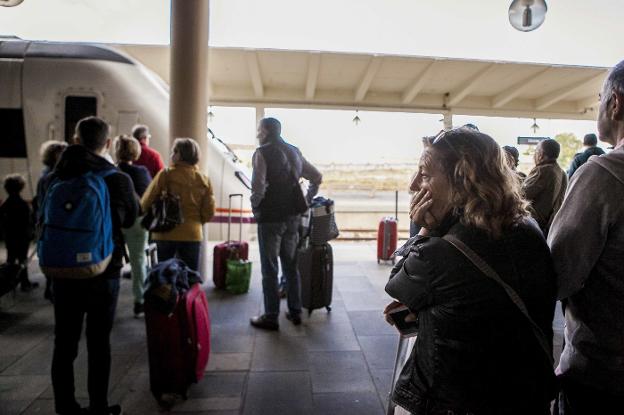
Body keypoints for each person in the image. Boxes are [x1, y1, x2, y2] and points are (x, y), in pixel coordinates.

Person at [384, 127, 557, 415]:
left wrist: (424, 229)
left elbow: (398, 285)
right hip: (525, 394)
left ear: (462, 180)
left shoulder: (440, 253)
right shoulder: (527, 227)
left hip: (452, 400)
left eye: (425, 174)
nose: (414, 184)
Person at [41, 116, 138, 415]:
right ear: (107, 143)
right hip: (103, 270)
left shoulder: (53, 178)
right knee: (99, 342)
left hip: (61, 270)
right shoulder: (117, 178)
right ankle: (98, 406)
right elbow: (132, 218)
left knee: (64, 341)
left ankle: (65, 406)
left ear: (76, 139)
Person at [548, 60, 624, 414]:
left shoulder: (605, 176)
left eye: (599, 99)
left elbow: (556, 274)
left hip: (603, 377)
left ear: (615, 103)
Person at [249, 117, 322, 331]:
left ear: (264, 132)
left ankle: (271, 316)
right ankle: (295, 311)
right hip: (293, 217)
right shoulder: (294, 152)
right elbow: (316, 176)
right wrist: (308, 199)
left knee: (269, 267)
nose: (257, 135)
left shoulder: (261, 153)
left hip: (271, 218)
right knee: (290, 265)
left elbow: (258, 188)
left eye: (258, 131)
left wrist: (255, 207)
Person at [140, 138, 215, 272]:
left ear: (180, 155)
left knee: (164, 278)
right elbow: (209, 212)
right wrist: (195, 222)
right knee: (189, 276)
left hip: (165, 233)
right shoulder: (203, 179)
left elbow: (146, 201)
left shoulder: (166, 174)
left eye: (174, 152)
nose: (171, 155)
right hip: (193, 234)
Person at [114, 135, 152, 317]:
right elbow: (148, 196)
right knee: (139, 261)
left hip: (115, 223)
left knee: (111, 262)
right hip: (138, 221)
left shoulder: (112, 173)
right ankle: (140, 302)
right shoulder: (142, 172)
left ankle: (108, 302)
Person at [33, 140, 68, 300]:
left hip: (45, 221)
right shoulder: (52, 177)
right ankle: (52, 288)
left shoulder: (45, 175)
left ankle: (50, 286)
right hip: (50, 222)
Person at [522, 139, 568, 236]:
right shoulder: (561, 172)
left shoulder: (543, 170)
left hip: (535, 223)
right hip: (550, 225)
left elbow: (522, 195)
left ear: (541, 154)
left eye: (535, 151)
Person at [0, 174, 38, 291]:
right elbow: (28, 221)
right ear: (21, 187)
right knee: (23, 259)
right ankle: (24, 283)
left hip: (10, 236)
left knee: (10, 259)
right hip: (22, 236)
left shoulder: (5, 204)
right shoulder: (23, 204)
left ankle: (7, 282)